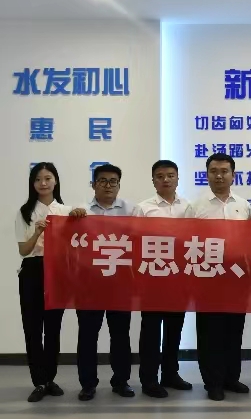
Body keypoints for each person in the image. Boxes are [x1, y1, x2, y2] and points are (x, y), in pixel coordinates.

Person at [185, 153, 251, 401]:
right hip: (207, 276)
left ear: (233, 175)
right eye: (214, 171)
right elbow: (186, 242)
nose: (219, 176)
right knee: (210, 331)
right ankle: (212, 382)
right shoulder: (196, 207)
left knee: (234, 329)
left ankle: (231, 378)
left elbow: (250, 241)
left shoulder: (243, 205)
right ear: (207, 174)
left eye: (224, 171)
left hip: (237, 276)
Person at [74, 164, 135, 401]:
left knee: (120, 335)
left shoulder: (132, 211)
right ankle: (88, 384)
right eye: (102, 181)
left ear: (119, 185)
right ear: (93, 184)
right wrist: (72, 221)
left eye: (113, 181)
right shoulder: (81, 212)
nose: (108, 185)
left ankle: (121, 381)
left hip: (121, 282)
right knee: (88, 336)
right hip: (89, 283)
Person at [15, 162, 76, 402]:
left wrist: (79, 217)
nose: (43, 183)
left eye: (48, 178)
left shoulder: (66, 211)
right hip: (32, 270)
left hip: (58, 270)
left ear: (55, 181)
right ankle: (38, 382)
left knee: (53, 328)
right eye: (38, 179)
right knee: (32, 327)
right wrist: (37, 232)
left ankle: (50, 379)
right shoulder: (25, 212)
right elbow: (23, 250)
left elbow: (76, 244)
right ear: (32, 184)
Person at [131, 160, 192, 399]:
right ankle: (148, 379)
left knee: (174, 330)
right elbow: (135, 243)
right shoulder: (143, 208)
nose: (165, 180)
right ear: (153, 180)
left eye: (170, 175)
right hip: (152, 277)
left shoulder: (188, 207)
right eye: (160, 176)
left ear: (177, 178)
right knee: (151, 331)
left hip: (179, 277)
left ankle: (170, 374)